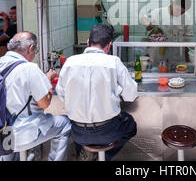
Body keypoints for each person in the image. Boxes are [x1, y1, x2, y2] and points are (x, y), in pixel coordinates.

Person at [0, 31, 71, 161]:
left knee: (9, 137)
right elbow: (44, 104)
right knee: (65, 124)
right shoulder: (29, 68)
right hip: (22, 133)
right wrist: (46, 80)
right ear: (30, 48)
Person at [56, 24, 138, 161]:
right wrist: (115, 90)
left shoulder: (70, 62)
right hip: (108, 132)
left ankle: (85, 153)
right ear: (109, 45)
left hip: (78, 132)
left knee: (75, 124)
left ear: (88, 43)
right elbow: (131, 95)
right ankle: (104, 156)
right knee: (130, 125)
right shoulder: (113, 62)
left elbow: (61, 93)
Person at [141, 0, 193, 65]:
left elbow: (187, 41)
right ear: (173, 3)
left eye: (182, 12)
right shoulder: (159, 12)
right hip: (158, 55)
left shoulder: (186, 18)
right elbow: (144, 18)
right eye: (177, 10)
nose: (179, 14)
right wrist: (148, 24)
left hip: (176, 57)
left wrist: (188, 59)